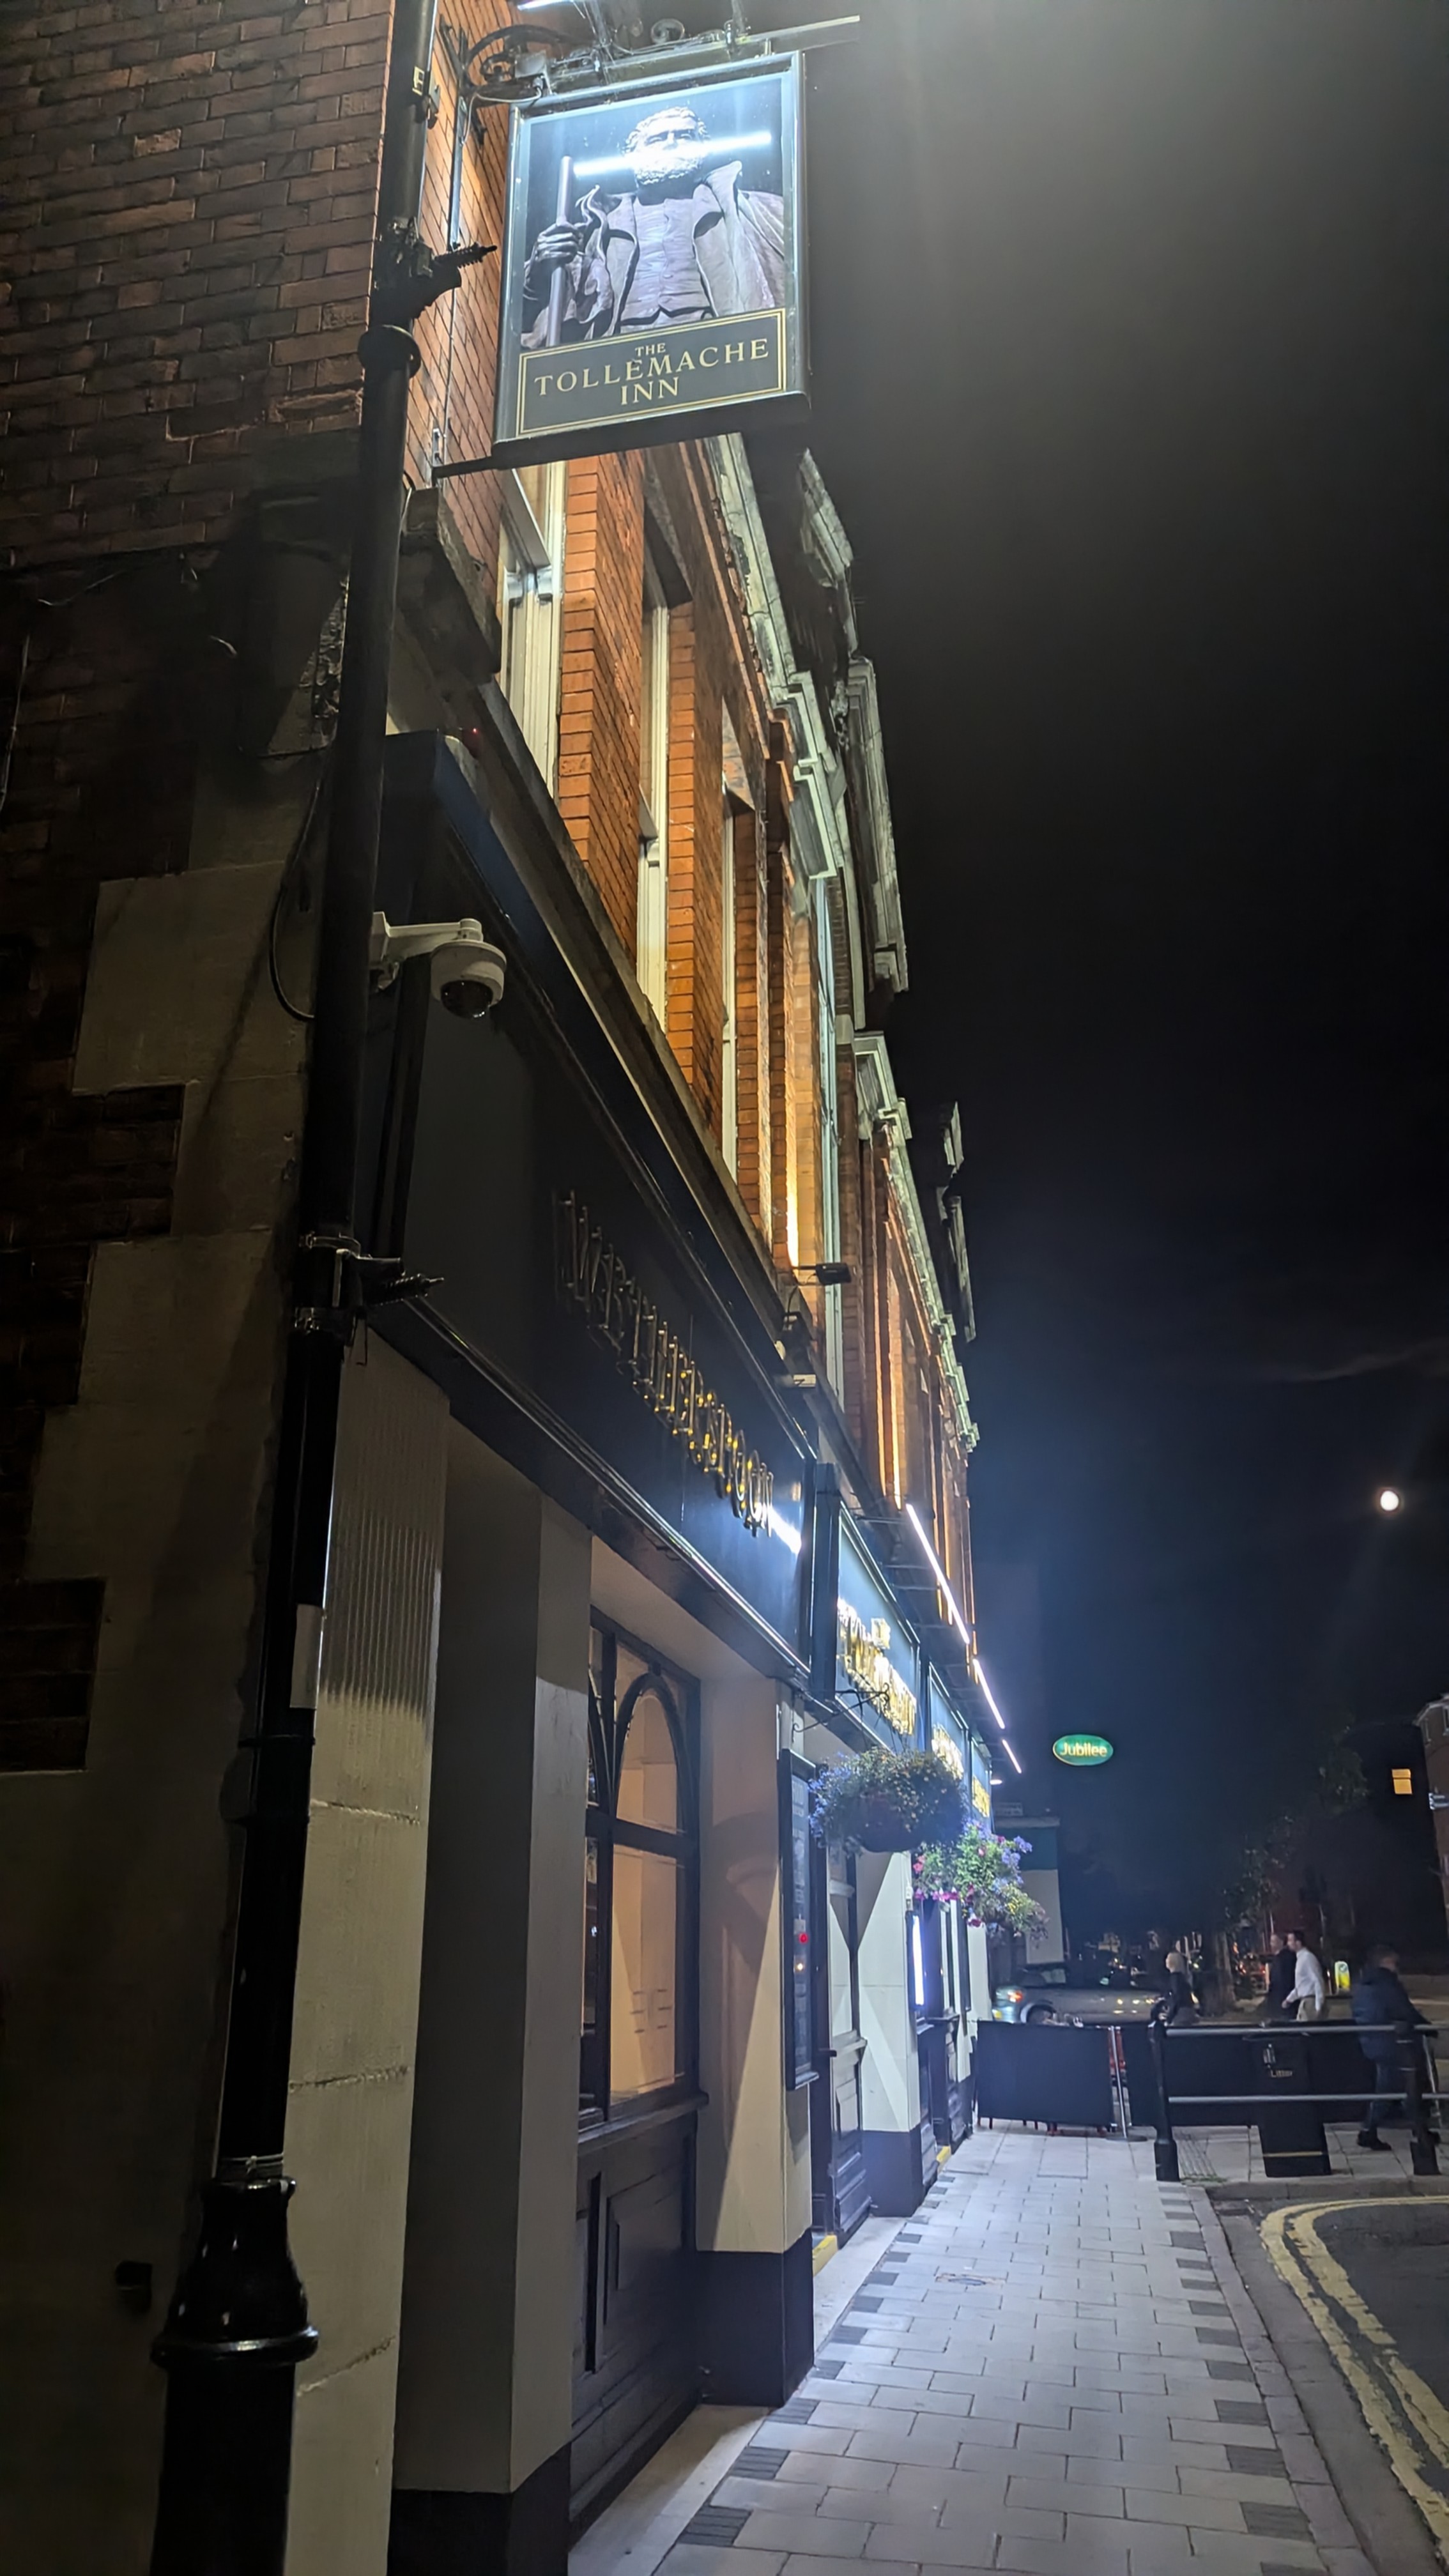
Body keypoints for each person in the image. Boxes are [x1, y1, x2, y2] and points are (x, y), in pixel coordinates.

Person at [523, 102, 787, 348]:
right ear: (631, 154)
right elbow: (524, 314)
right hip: (617, 355)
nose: (671, 144)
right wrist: (538, 272)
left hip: (719, 346)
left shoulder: (755, 210)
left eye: (685, 136)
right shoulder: (597, 227)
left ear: (704, 147)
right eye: (657, 139)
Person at [1351, 1942, 1436, 2152]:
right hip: (1396, 2043)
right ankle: (1415, 2131)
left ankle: (1416, 2130)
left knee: (1391, 2088)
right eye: (1395, 1963)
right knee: (1408, 2087)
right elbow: (1404, 2011)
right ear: (1386, 1962)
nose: (1397, 1968)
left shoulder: (1363, 1985)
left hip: (1374, 2043)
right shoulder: (1387, 1983)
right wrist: (1428, 2028)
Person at [1287, 1929, 1326, 2022]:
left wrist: (1318, 2005)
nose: (1288, 1944)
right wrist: (1289, 1999)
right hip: (1306, 2002)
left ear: (1298, 1943)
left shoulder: (1307, 1958)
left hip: (1310, 2003)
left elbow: (1317, 1980)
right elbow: (1302, 1984)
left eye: (1290, 1940)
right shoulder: (1301, 1959)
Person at [1159, 1949, 1200, 2025]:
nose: (1166, 1961)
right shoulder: (1181, 1978)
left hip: (1181, 2015)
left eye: (1168, 1959)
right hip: (1186, 2012)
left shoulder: (1175, 1979)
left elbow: (1177, 1999)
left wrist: (1169, 2018)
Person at [1263, 1931, 1297, 2021]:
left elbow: (1284, 1980)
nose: (1271, 1944)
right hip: (1279, 2000)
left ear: (1281, 1942)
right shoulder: (1278, 1958)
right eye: (1271, 1941)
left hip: (1283, 1999)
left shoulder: (1286, 1958)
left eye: (1274, 1941)